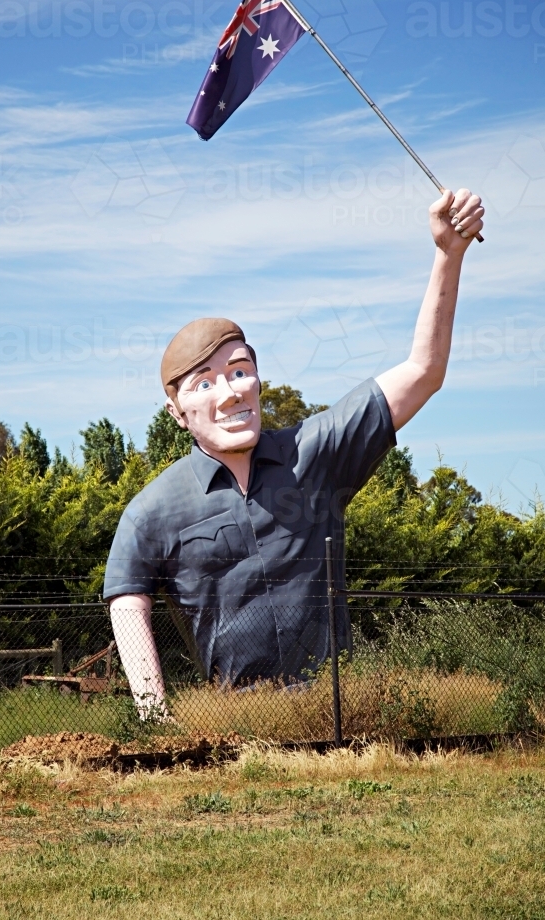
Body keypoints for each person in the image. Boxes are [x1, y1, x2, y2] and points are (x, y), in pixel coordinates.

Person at [104, 189, 484, 716]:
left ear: (259, 381)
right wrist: (154, 714)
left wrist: (448, 254)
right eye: (204, 383)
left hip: (342, 722)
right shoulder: (152, 510)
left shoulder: (316, 452)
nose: (231, 391)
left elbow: (424, 372)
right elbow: (128, 601)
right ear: (176, 411)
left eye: (240, 371)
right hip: (231, 729)